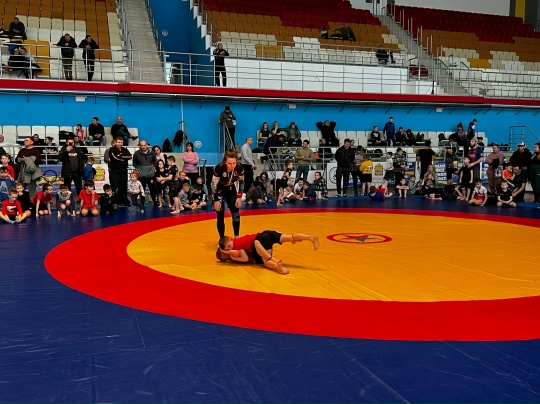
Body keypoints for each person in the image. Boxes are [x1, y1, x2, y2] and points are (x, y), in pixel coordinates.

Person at [217, 230, 320, 275]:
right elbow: (237, 253)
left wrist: (228, 252)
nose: (230, 249)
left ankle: (277, 264)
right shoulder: (235, 245)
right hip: (265, 233)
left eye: (229, 247)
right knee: (290, 237)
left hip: (260, 240)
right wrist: (229, 252)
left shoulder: (236, 244)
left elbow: (244, 258)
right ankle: (311, 237)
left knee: (266, 261)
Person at [211, 150, 244, 238]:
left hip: (231, 189)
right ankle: (222, 238)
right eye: (229, 163)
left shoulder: (239, 167)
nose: (232, 166)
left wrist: (239, 197)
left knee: (236, 212)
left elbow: (242, 182)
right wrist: (216, 200)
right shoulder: (219, 168)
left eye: (234, 163)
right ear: (225, 162)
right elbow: (213, 184)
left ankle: (236, 237)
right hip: (219, 190)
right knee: (220, 213)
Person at [109, 137, 132, 205]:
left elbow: (130, 156)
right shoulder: (112, 149)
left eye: (121, 142)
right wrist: (123, 157)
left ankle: (124, 200)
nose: (120, 144)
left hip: (124, 171)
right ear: (115, 142)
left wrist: (121, 157)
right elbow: (115, 158)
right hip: (115, 171)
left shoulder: (125, 149)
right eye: (118, 142)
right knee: (114, 186)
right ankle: (114, 200)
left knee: (124, 186)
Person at [132, 140, 157, 205]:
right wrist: (137, 168)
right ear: (140, 146)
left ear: (147, 145)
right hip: (141, 175)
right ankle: (142, 202)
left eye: (144, 145)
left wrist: (153, 167)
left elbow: (155, 161)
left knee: (153, 189)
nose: (143, 147)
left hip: (151, 175)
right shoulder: (136, 153)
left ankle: (155, 201)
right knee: (141, 189)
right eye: (142, 145)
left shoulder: (152, 153)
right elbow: (134, 163)